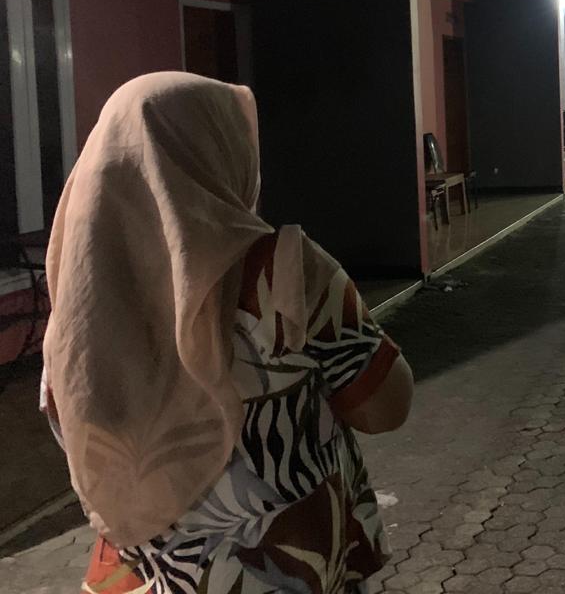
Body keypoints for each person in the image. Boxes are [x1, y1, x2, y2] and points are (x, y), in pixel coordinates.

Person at [40, 72, 414, 594]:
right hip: (283, 568)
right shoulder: (279, 269)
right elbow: (386, 406)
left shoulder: (75, 308)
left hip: (144, 577)